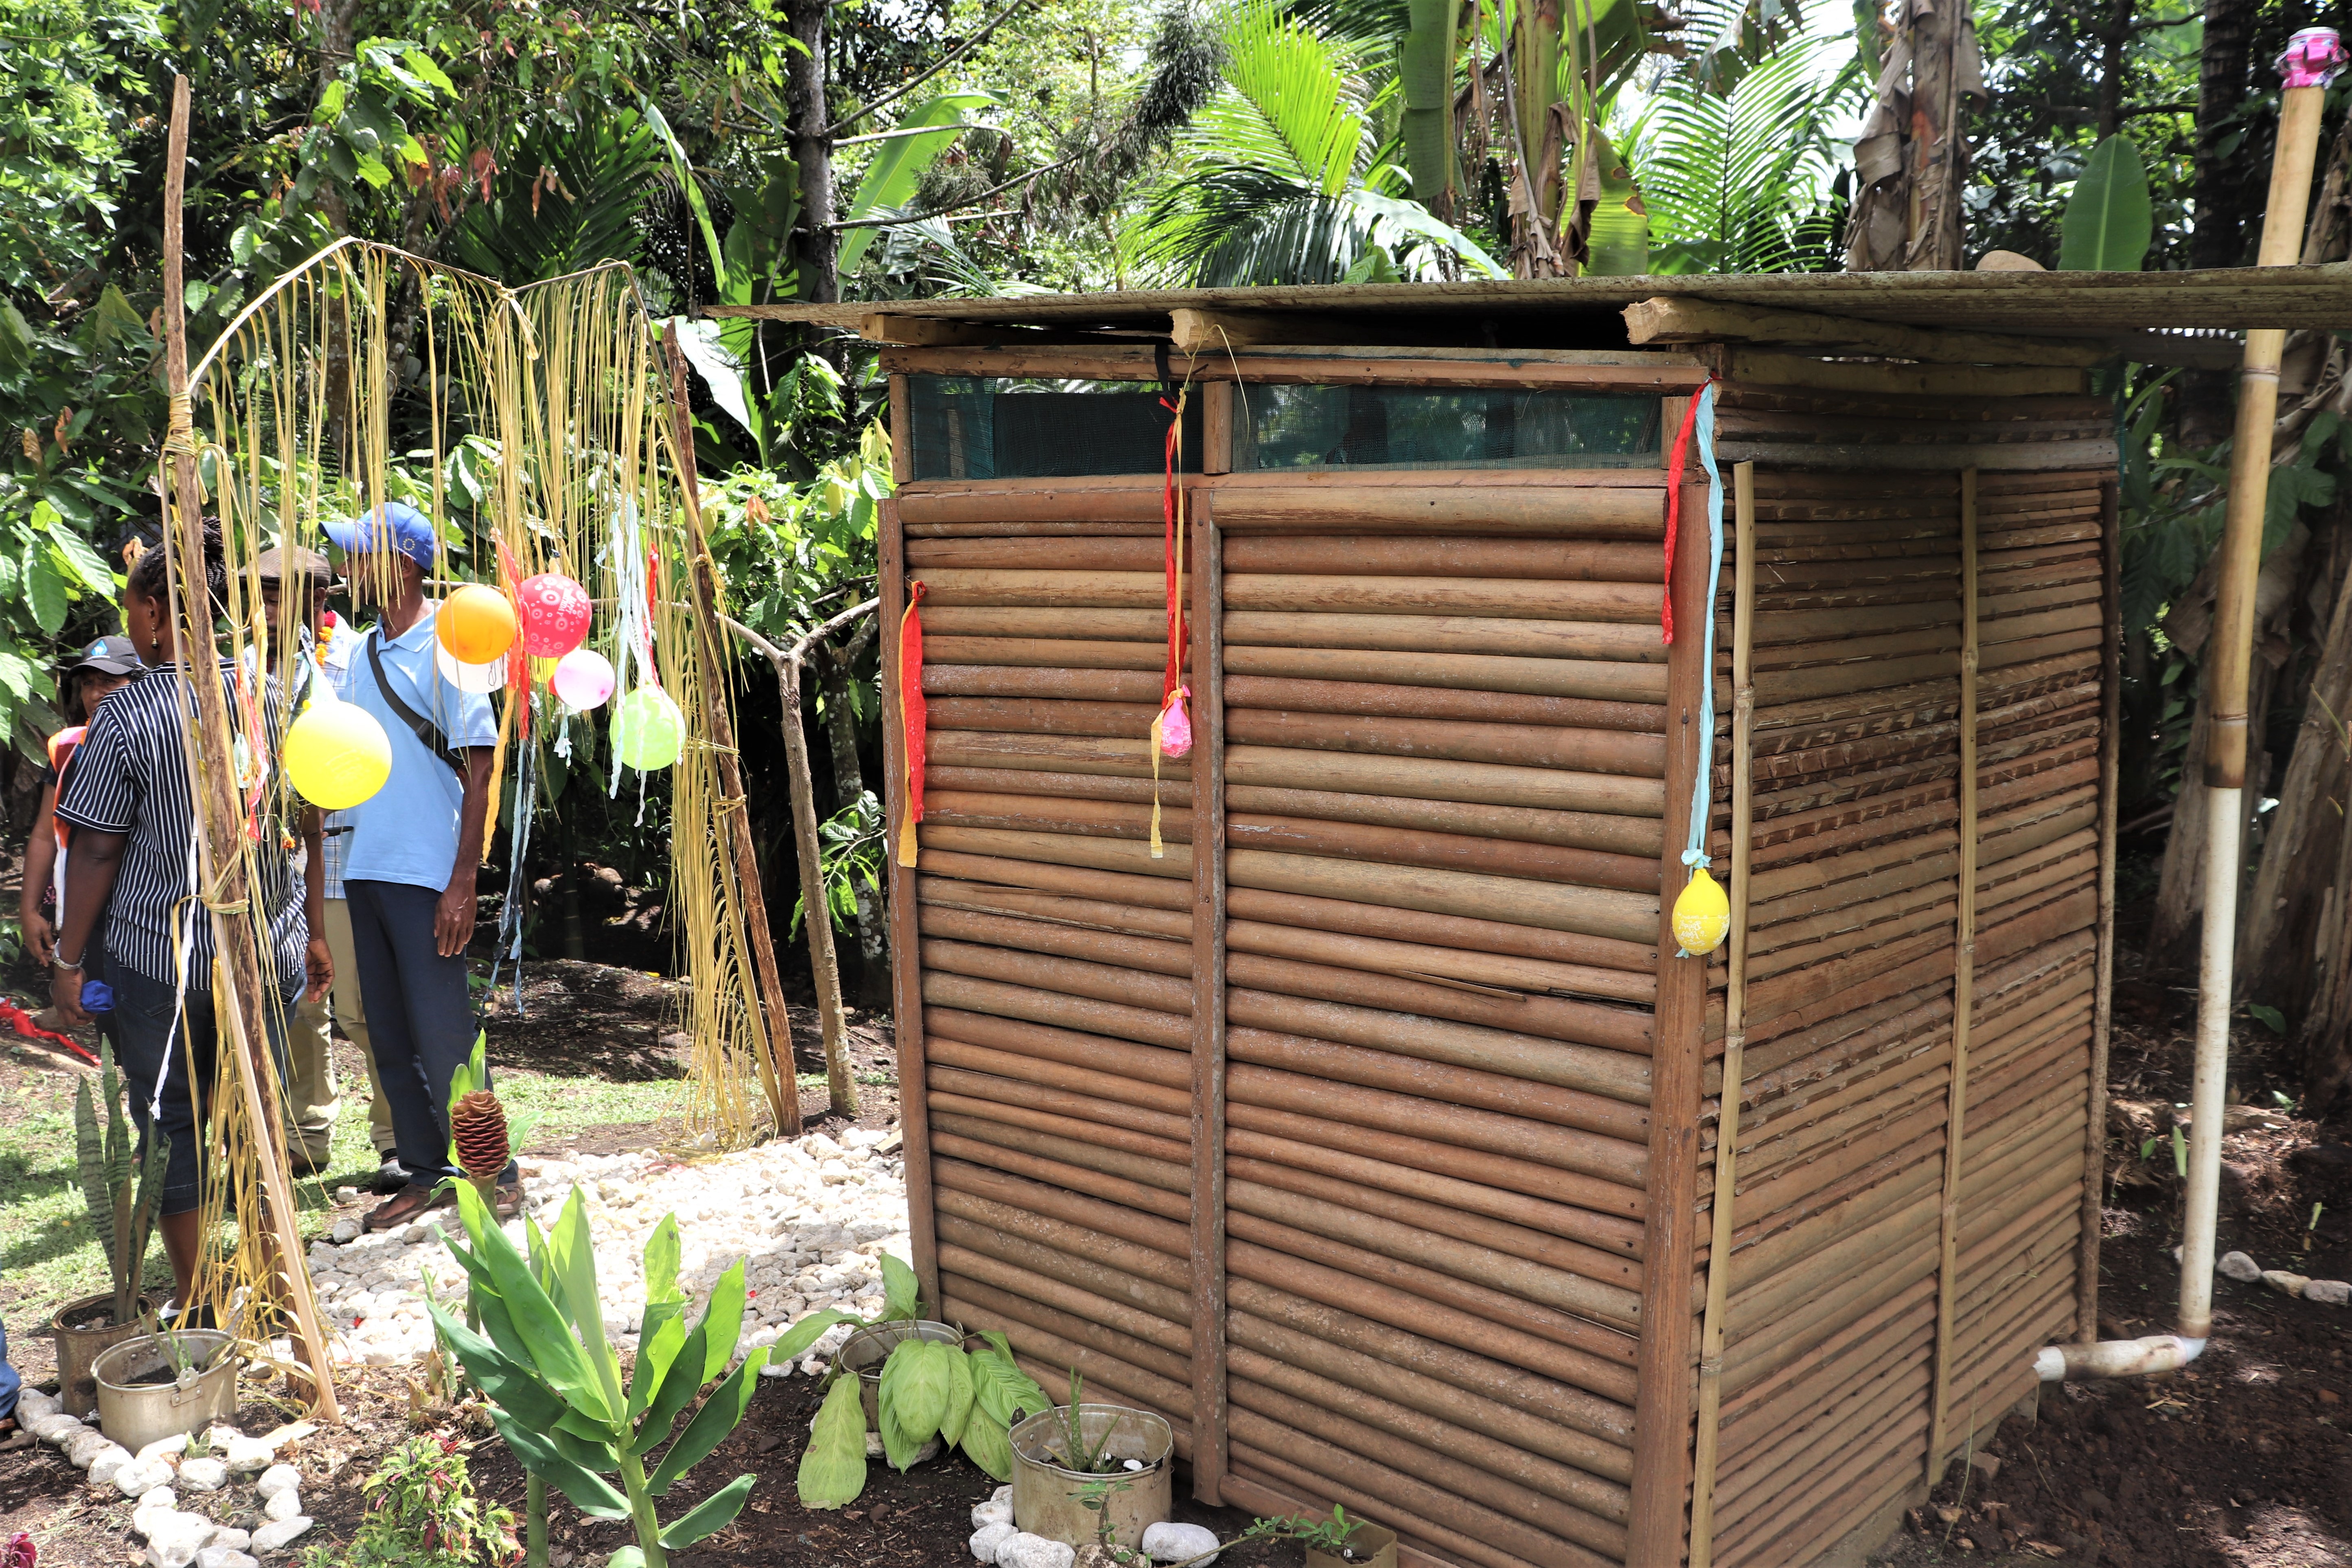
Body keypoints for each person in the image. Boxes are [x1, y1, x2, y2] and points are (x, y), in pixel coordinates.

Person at [50, 527, 333, 1322]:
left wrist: (71, 958)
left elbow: (99, 846)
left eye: (136, 610)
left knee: (169, 1121)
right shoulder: (272, 698)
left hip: (159, 959)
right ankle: (277, 1280)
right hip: (263, 946)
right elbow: (306, 821)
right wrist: (311, 928)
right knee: (257, 1111)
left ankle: (198, 1293)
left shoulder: (129, 712)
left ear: (152, 612)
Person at [323, 501, 517, 1230]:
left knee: (445, 1034)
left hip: (427, 869)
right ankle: (427, 1170)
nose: (347, 567)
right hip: (365, 862)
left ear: (401, 563)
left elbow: (479, 760)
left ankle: (496, 1175)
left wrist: (462, 879)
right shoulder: (363, 650)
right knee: (388, 1032)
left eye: (358, 554)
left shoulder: (452, 641)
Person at [257, 545, 400, 1187]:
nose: (263, 608)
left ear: (315, 599)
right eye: (258, 595)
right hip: (273, 861)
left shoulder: (357, 661)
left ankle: (399, 1135)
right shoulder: (251, 668)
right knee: (298, 1006)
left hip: (344, 854)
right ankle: (305, 1135)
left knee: (362, 1007)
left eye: (274, 594)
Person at [21, 636, 142, 1037]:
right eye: (89, 683)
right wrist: (30, 909)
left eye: (111, 681)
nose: (96, 694)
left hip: (146, 911)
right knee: (104, 1014)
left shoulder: (159, 744)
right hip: (88, 912)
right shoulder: (67, 747)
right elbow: (44, 832)